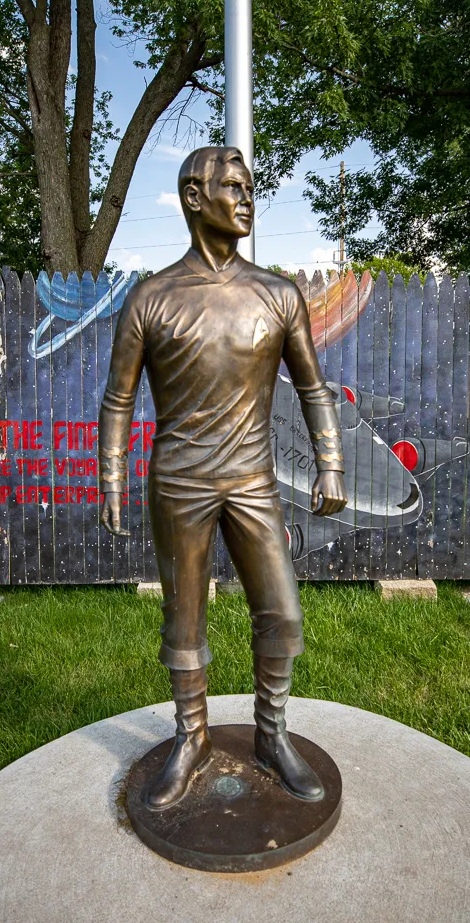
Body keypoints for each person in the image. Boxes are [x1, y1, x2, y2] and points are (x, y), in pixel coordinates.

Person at [98, 146, 347, 809]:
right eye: (232, 187)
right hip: (179, 481)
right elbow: (118, 398)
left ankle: (271, 732)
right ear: (192, 197)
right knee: (184, 622)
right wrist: (111, 478)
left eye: (249, 188)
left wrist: (332, 461)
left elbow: (314, 386)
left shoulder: (277, 294)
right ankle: (191, 738)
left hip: (253, 481)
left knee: (283, 612)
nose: (246, 199)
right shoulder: (152, 298)